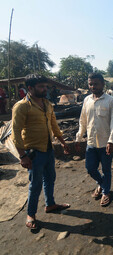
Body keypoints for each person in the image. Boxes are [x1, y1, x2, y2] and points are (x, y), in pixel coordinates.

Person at [11, 74, 71, 230]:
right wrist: (22, 156)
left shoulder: (47, 104)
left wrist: (63, 143)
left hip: (48, 149)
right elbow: (15, 132)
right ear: (30, 88)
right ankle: (31, 214)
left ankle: (50, 204)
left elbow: (54, 125)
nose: (45, 89)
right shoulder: (21, 106)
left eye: (46, 86)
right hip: (34, 153)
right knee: (35, 185)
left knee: (50, 178)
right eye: (41, 87)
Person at [75, 73, 113, 207]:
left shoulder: (111, 101)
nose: (93, 86)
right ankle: (101, 183)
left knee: (106, 170)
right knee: (90, 168)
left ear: (102, 84)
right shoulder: (87, 100)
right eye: (90, 84)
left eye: (96, 83)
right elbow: (83, 120)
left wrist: (111, 141)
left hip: (106, 143)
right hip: (91, 143)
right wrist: (78, 138)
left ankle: (105, 192)